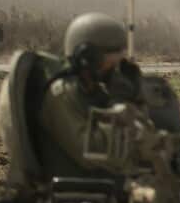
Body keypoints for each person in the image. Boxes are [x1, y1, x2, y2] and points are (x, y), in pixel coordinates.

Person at [35, 12, 144, 181]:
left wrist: (136, 100)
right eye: (112, 61)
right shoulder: (62, 95)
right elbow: (96, 154)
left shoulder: (96, 90)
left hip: (108, 184)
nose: (117, 69)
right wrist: (119, 106)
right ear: (88, 58)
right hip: (76, 190)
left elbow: (142, 140)